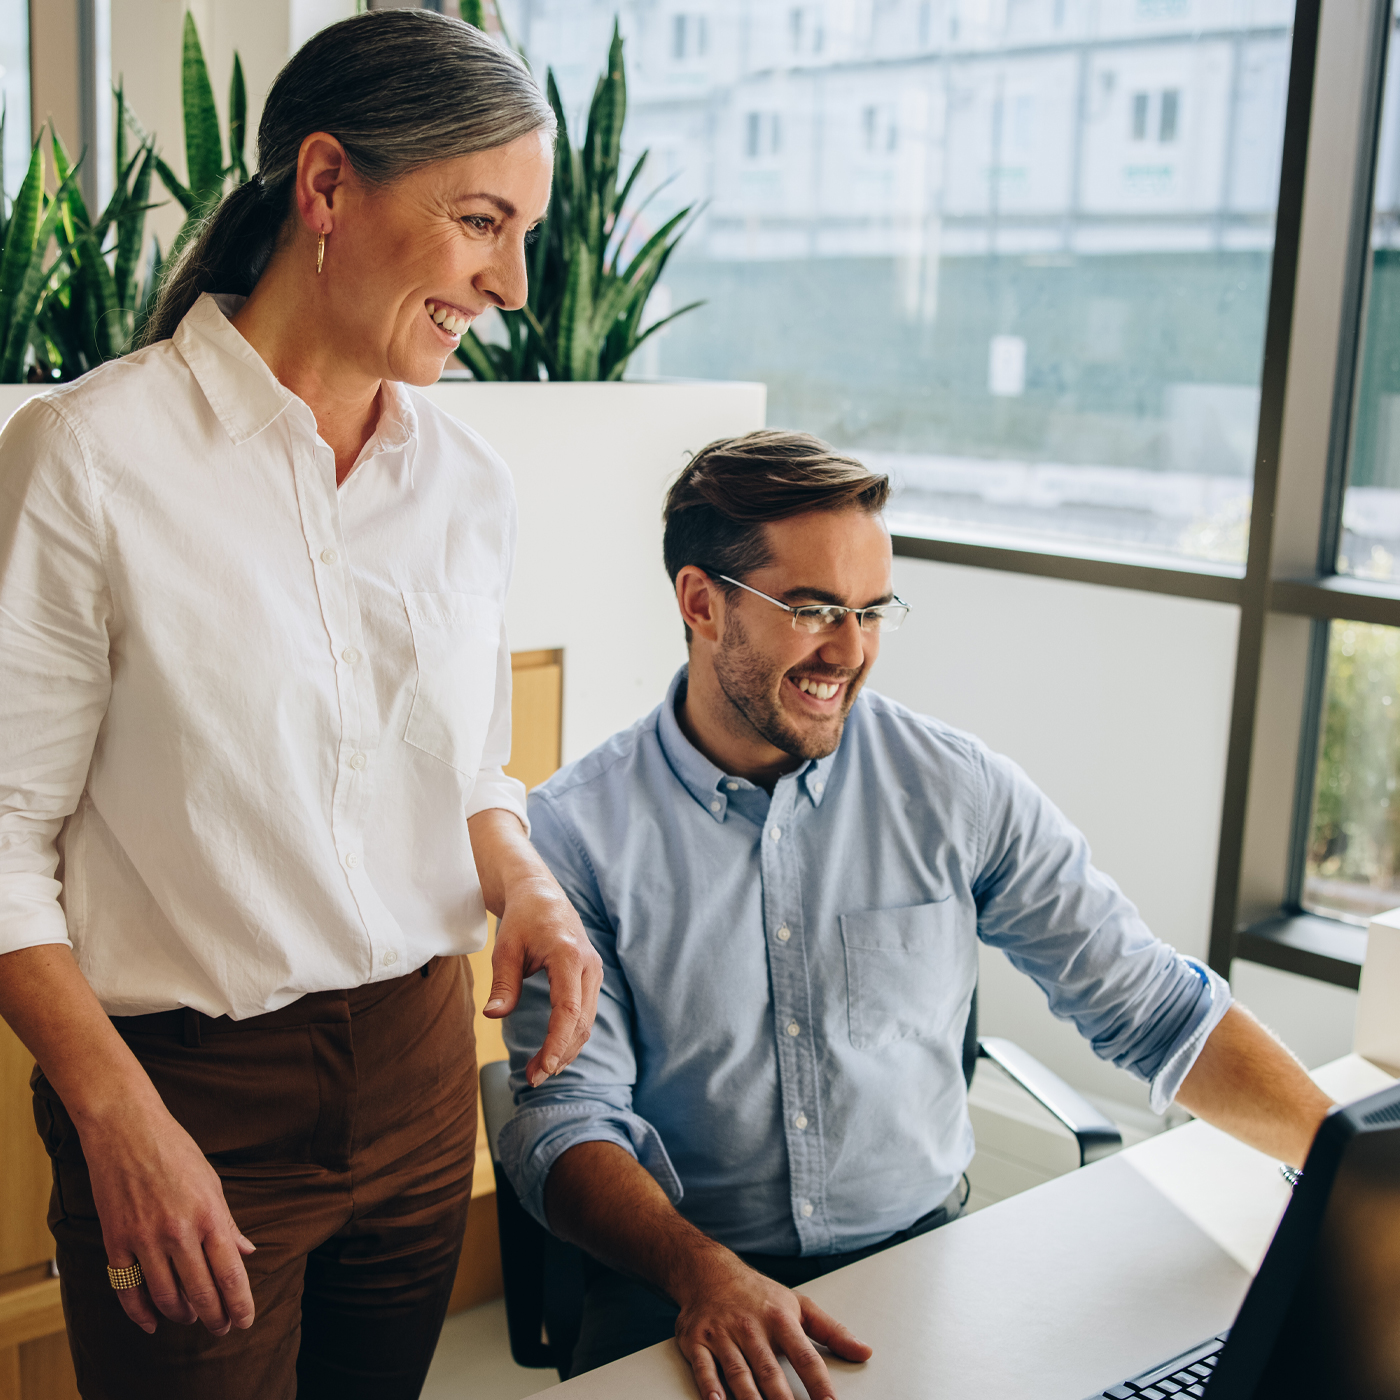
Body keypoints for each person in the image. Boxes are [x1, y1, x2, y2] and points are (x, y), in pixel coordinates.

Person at [0, 12, 602, 1400]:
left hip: (416, 1072)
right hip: (187, 1096)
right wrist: (116, 1121)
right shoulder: (87, 463)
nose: (510, 282)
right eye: (479, 221)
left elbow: (459, 768)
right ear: (327, 188)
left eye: (523, 233)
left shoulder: (468, 487)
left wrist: (520, 880)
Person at [499, 430, 1336, 1400]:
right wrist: (697, 1270)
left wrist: (1343, 1166)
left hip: (920, 1262)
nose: (848, 652)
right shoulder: (572, 832)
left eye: (869, 609)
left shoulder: (952, 787)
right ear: (700, 602)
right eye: (812, 609)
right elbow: (565, 1121)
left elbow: (1151, 1004)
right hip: (675, 1282)